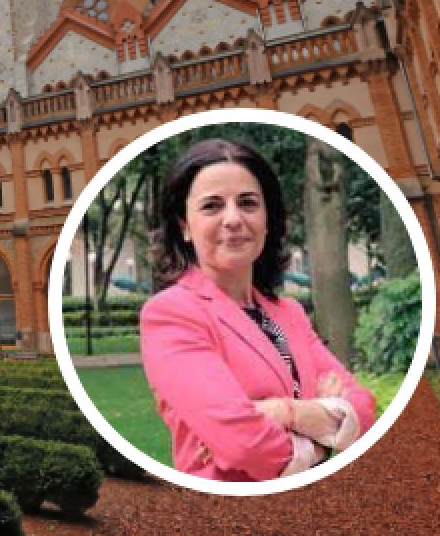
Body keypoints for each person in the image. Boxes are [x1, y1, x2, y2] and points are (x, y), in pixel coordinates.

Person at [139, 137, 376, 481]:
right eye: (212, 206)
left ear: (266, 219)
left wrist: (283, 413)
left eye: (248, 203)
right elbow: (245, 446)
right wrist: (325, 434)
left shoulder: (289, 314)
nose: (233, 219)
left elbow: (364, 408)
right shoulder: (172, 314)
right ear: (184, 226)